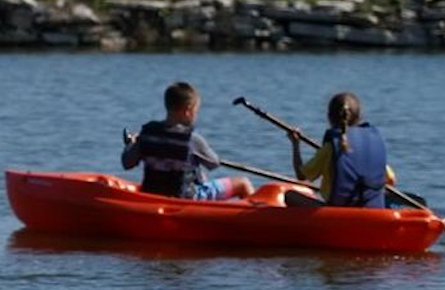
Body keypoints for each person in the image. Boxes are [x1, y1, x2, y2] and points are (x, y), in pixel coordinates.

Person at [121, 80, 254, 201]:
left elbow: (127, 163)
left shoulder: (147, 134)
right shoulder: (192, 140)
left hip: (153, 194)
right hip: (187, 197)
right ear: (188, 111)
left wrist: (132, 143)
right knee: (243, 183)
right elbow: (213, 163)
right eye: (196, 111)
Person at [286, 92, 392, 208]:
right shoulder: (372, 143)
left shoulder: (330, 148)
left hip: (337, 212)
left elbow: (302, 176)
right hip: (372, 211)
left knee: (289, 195)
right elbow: (390, 179)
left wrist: (295, 144)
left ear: (329, 117)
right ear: (359, 116)